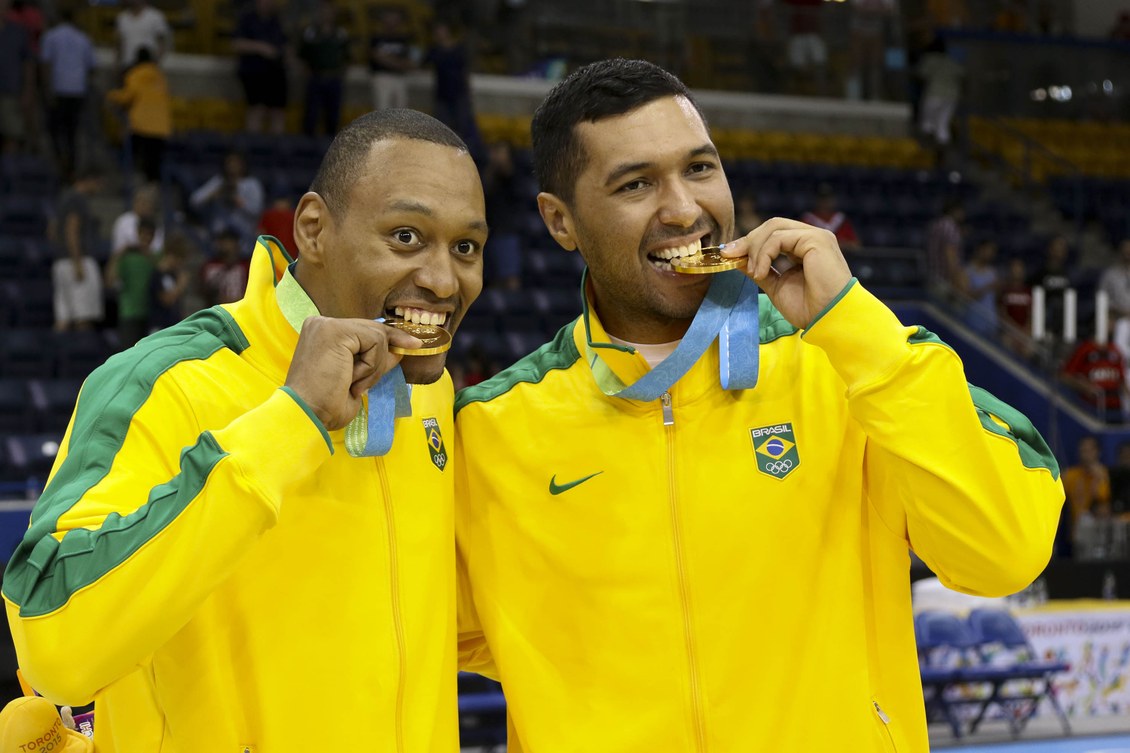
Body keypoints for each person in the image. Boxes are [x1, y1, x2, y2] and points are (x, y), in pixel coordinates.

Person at [454, 59, 1064, 752]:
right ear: (560, 221)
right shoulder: (493, 429)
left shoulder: (844, 369)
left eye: (700, 169)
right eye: (636, 183)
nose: (684, 208)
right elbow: (411, 623)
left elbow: (1006, 551)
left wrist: (854, 329)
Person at [3, 108, 487, 750]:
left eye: (465, 248)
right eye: (405, 236)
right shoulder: (160, 381)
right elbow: (55, 647)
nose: (442, 279)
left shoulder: (429, 398)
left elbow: (407, 623)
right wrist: (292, 422)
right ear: (313, 229)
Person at [39, 6, 95, 180]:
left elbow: (46, 65)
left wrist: (48, 90)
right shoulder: (84, 38)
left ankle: (61, 165)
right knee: (71, 132)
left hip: (59, 90)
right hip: (77, 91)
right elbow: (92, 67)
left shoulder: (51, 36)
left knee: (55, 131)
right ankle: (70, 167)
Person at [106, 47, 172, 183]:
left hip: (142, 125)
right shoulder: (159, 76)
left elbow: (128, 96)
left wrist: (112, 95)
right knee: (153, 165)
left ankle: (126, 181)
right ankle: (152, 188)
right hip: (161, 127)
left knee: (131, 156)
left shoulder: (136, 73)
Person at [50, 166, 104, 332]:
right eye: (99, 183)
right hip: (77, 261)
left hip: (61, 262)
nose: (100, 188)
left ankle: (57, 357)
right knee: (84, 318)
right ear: (89, 180)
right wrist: (77, 262)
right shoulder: (77, 199)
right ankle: (84, 357)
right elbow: (71, 229)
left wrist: (62, 251)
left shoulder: (63, 198)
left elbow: (51, 230)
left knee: (64, 318)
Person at [233, 0, 289, 134]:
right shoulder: (247, 19)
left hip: (276, 73)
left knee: (277, 111)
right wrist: (261, 48)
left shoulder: (277, 21)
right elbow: (236, 44)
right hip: (254, 72)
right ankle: (254, 147)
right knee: (257, 109)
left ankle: (277, 150)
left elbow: (286, 44)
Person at [189, 150, 265, 246]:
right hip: (219, 236)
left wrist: (238, 201)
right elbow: (194, 201)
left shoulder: (251, 184)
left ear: (243, 164)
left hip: (244, 236)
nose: (232, 166)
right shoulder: (219, 181)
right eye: (230, 162)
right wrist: (214, 194)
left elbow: (257, 211)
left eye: (236, 162)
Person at [298, 0, 349, 137]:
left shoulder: (341, 33)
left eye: (329, 11)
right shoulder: (310, 33)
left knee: (332, 116)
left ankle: (330, 146)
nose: (326, 15)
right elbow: (303, 54)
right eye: (323, 11)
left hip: (334, 78)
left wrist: (341, 73)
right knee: (311, 115)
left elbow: (346, 56)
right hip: (316, 77)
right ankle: (307, 148)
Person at [105, 217, 158, 348]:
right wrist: (118, 255)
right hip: (129, 313)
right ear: (138, 234)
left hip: (151, 314)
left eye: (150, 235)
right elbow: (110, 281)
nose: (146, 238)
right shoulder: (127, 258)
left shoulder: (157, 258)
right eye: (143, 234)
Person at [369, 8, 417, 111]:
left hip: (400, 78)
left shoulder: (404, 39)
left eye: (395, 20)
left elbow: (411, 62)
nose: (392, 23)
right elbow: (375, 56)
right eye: (389, 20)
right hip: (381, 77)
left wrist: (387, 59)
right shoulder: (376, 38)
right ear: (384, 22)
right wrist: (398, 63)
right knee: (381, 110)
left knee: (402, 112)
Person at [0, 8, 32, 155]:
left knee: (12, 136)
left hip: (10, 93)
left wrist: (27, 91)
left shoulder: (18, 33)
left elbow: (28, 65)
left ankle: (9, 174)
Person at [1099, 238, 1130, 387]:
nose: (1128, 253)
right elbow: (1102, 300)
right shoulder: (1110, 274)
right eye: (1125, 250)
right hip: (1118, 320)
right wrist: (1118, 312)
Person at [801, 182, 862, 250]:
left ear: (834, 200)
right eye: (822, 198)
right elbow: (802, 243)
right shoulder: (808, 219)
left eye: (828, 198)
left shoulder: (840, 220)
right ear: (816, 200)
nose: (825, 202)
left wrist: (842, 245)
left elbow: (855, 245)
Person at [200, 226, 251, 306]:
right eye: (222, 242)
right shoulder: (210, 265)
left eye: (229, 242)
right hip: (216, 310)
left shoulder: (245, 265)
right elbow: (204, 291)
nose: (225, 245)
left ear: (236, 244)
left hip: (240, 309)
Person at [114, 0, 169, 70]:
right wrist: (116, 65)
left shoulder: (156, 16)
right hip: (127, 65)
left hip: (147, 66)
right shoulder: (122, 18)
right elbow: (119, 44)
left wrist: (157, 61)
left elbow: (162, 42)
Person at [110, 182, 163, 255]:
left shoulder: (155, 223)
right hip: (126, 258)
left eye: (149, 203)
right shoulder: (123, 221)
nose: (146, 206)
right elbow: (120, 247)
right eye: (143, 202)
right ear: (135, 202)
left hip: (149, 258)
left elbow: (158, 247)